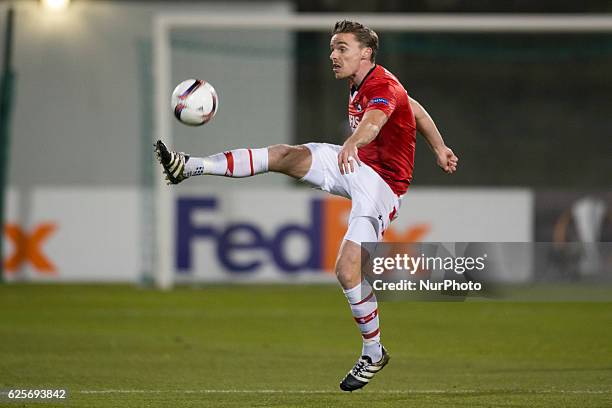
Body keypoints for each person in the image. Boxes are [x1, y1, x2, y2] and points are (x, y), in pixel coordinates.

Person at [155, 20, 458, 392]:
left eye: (342, 48)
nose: (333, 55)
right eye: (332, 48)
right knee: (284, 154)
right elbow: (418, 112)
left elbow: (375, 123)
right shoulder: (367, 82)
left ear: (366, 52)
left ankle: (374, 351)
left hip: (380, 186)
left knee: (348, 272)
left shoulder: (383, 86)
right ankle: (190, 165)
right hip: (356, 164)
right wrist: (439, 147)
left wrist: (353, 142)